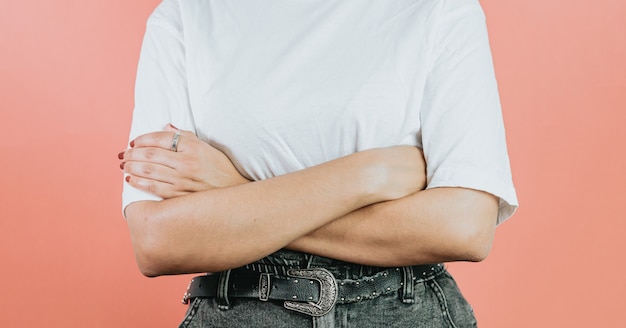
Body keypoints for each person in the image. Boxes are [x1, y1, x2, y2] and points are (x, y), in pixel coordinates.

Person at [118, 0, 518, 327]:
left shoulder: (441, 10)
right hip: (238, 312)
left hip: (404, 312)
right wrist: (366, 176)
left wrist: (233, 190)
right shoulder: (186, 16)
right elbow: (159, 242)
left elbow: (465, 228)